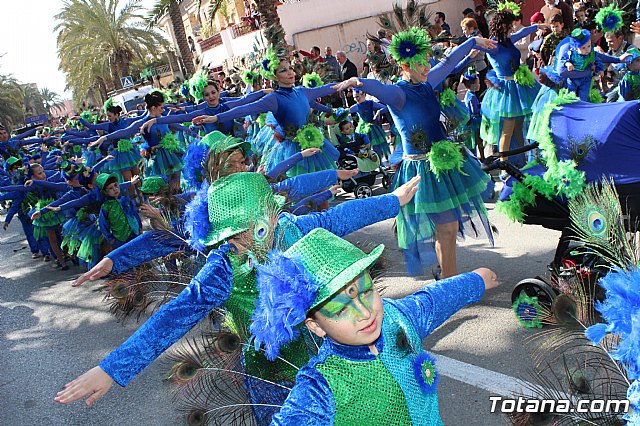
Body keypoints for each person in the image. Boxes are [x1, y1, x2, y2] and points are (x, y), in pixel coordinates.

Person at [53, 172, 421, 424]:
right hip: (273, 372)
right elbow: (173, 316)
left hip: (334, 351)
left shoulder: (296, 229)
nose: (236, 244)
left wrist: (392, 200)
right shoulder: (223, 268)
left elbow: (344, 215)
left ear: (271, 218)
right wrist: (111, 369)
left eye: (247, 232)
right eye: (228, 237)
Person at [250, 227, 499, 425]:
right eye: (342, 308)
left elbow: (432, 300)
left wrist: (475, 280)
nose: (365, 312)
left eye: (367, 291)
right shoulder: (321, 385)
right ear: (315, 326)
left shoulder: (395, 317)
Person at [334, 26, 497, 278]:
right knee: (447, 226)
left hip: (444, 164)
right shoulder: (399, 93)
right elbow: (380, 90)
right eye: (420, 63)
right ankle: (450, 282)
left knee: (448, 228)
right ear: (405, 65)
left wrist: (473, 40)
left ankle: (447, 277)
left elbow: (450, 60)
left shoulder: (426, 82)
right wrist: (358, 81)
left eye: (427, 62)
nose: (426, 67)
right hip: (421, 170)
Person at [480, 9, 543, 174]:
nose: (513, 27)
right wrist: (475, 42)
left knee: (519, 127)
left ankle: (521, 160)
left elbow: (523, 31)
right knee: (507, 131)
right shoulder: (493, 45)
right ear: (502, 25)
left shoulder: (507, 40)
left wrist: (537, 26)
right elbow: (479, 46)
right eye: (510, 24)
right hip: (506, 90)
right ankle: (503, 167)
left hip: (518, 87)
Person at [561, 29, 604, 101]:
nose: (587, 50)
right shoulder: (572, 53)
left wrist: (600, 70)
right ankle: (571, 106)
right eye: (583, 48)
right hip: (573, 78)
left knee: (584, 94)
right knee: (570, 93)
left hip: (586, 78)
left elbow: (598, 61)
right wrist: (568, 64)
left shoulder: (592, 54)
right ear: (576, 48)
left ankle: (583, 106)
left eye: (589, 46)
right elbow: (564, 59)